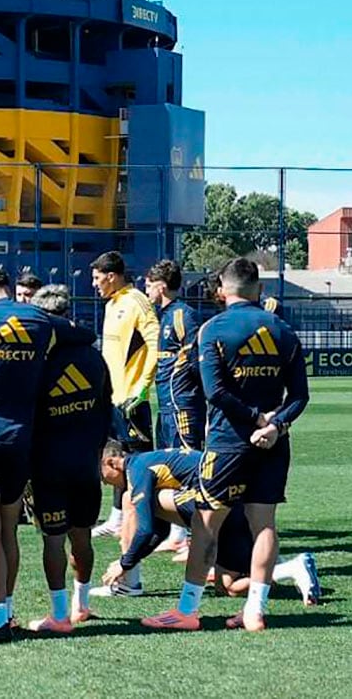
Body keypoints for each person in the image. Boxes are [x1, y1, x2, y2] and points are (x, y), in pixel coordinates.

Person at [143, 258, 309, 632]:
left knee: (205, 525)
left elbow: (214, 392)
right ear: (259, 290)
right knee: (263, 524)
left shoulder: (213, 329)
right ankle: (255, 611)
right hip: (272, 443)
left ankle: (187, 611)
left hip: (228, 443)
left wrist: (253, 419)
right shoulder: (282, 330)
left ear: (221, 291)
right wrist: (274, 424)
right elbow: (300, 395)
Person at [0, 267, 93, 641]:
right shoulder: (39, 318)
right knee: (8, 529)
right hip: (21, 441)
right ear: (8, 291)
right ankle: (7, 611)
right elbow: (85, 335)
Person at [98, 442, 320, 608]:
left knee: (130, 499)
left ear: (112, 462)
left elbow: (146, 529)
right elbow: (159, 529)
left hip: (223, 508)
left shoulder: (138, 470)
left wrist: (124, 563)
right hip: (234, 509)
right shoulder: (146, 461)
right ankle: (290, 568)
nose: (105, 483)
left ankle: (130, 585)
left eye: (103, 476)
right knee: (228, 587)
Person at [26, 285, 112, 633]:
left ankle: (59, 615)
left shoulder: (40, 360)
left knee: (52, 538)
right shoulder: (94, 356)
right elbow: (107, 408)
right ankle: (82, 604)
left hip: (49, 463)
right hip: (86, 462)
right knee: (82, 537)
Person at [90, 251, 160, 542]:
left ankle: (149, 524)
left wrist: (142, 388)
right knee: (115, 460)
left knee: (139, 464)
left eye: (97, 278)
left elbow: (156, 344)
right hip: (114, 398)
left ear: (111, 276)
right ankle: (118, 518)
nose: (94, 284)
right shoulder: (112, 304)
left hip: (132, 400)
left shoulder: (137, 302)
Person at [144, 259, 205, 555]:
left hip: (182, 405)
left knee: (189, 463)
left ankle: (198, 534)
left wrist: (186, 389)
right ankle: (177, 532)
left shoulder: (183, 315)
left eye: (148, 284)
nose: (146, 290)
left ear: (161, 285)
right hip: (166, 404)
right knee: (168, 466)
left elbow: (195, 357)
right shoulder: (164, 316)